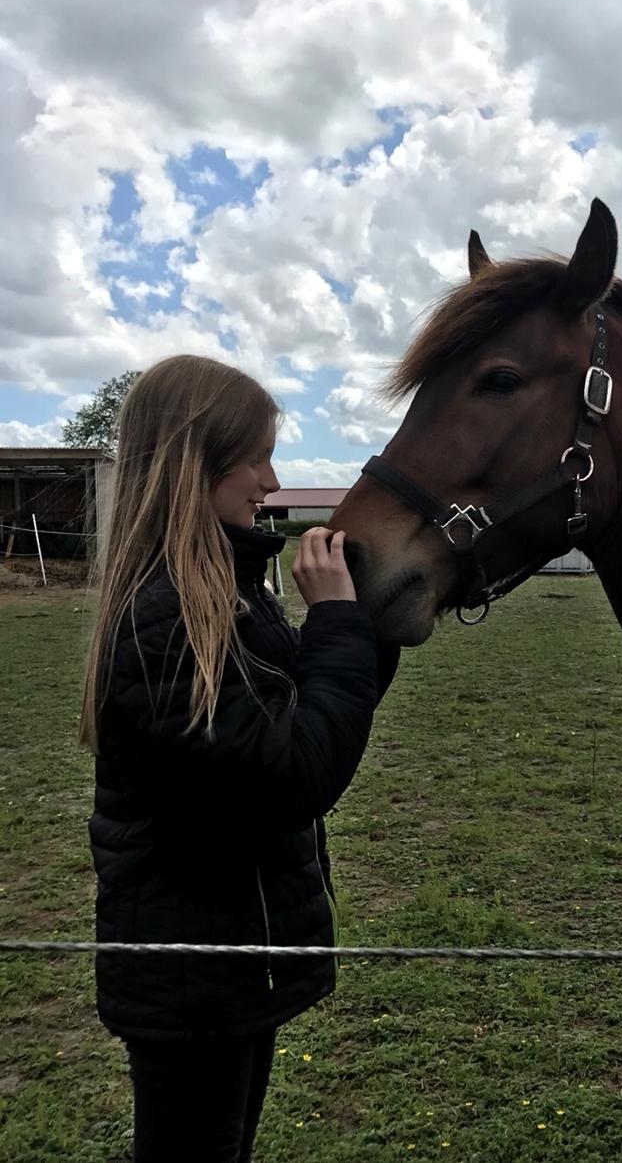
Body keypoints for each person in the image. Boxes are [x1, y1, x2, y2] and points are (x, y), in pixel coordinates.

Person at [80, 355, 398, 1163]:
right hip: (193, 979)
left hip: (225, 965)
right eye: (254, 455)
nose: (270, 477)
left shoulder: (230, 594)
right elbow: (294, 775)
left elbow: (313, 711)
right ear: (196, 461)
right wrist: (337, 624)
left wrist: (368, 620)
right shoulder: (167, 621)